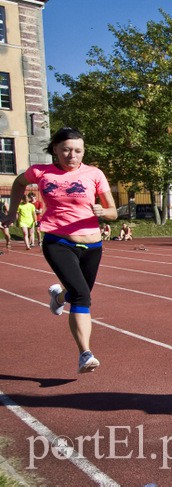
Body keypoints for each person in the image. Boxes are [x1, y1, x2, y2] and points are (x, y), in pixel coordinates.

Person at [2, 127, 118, 373]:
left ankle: (58, 297)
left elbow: (113, 212)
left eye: (78, 150)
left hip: (93, 245)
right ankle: (85, 354)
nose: (72, 155)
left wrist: (103, 212)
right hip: (58, 241)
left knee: (79, 293)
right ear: (55, 149)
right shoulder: (41, 172)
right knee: (82, 297)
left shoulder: (95, 173)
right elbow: (18, 183)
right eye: (66, 150)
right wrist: (11, 212)